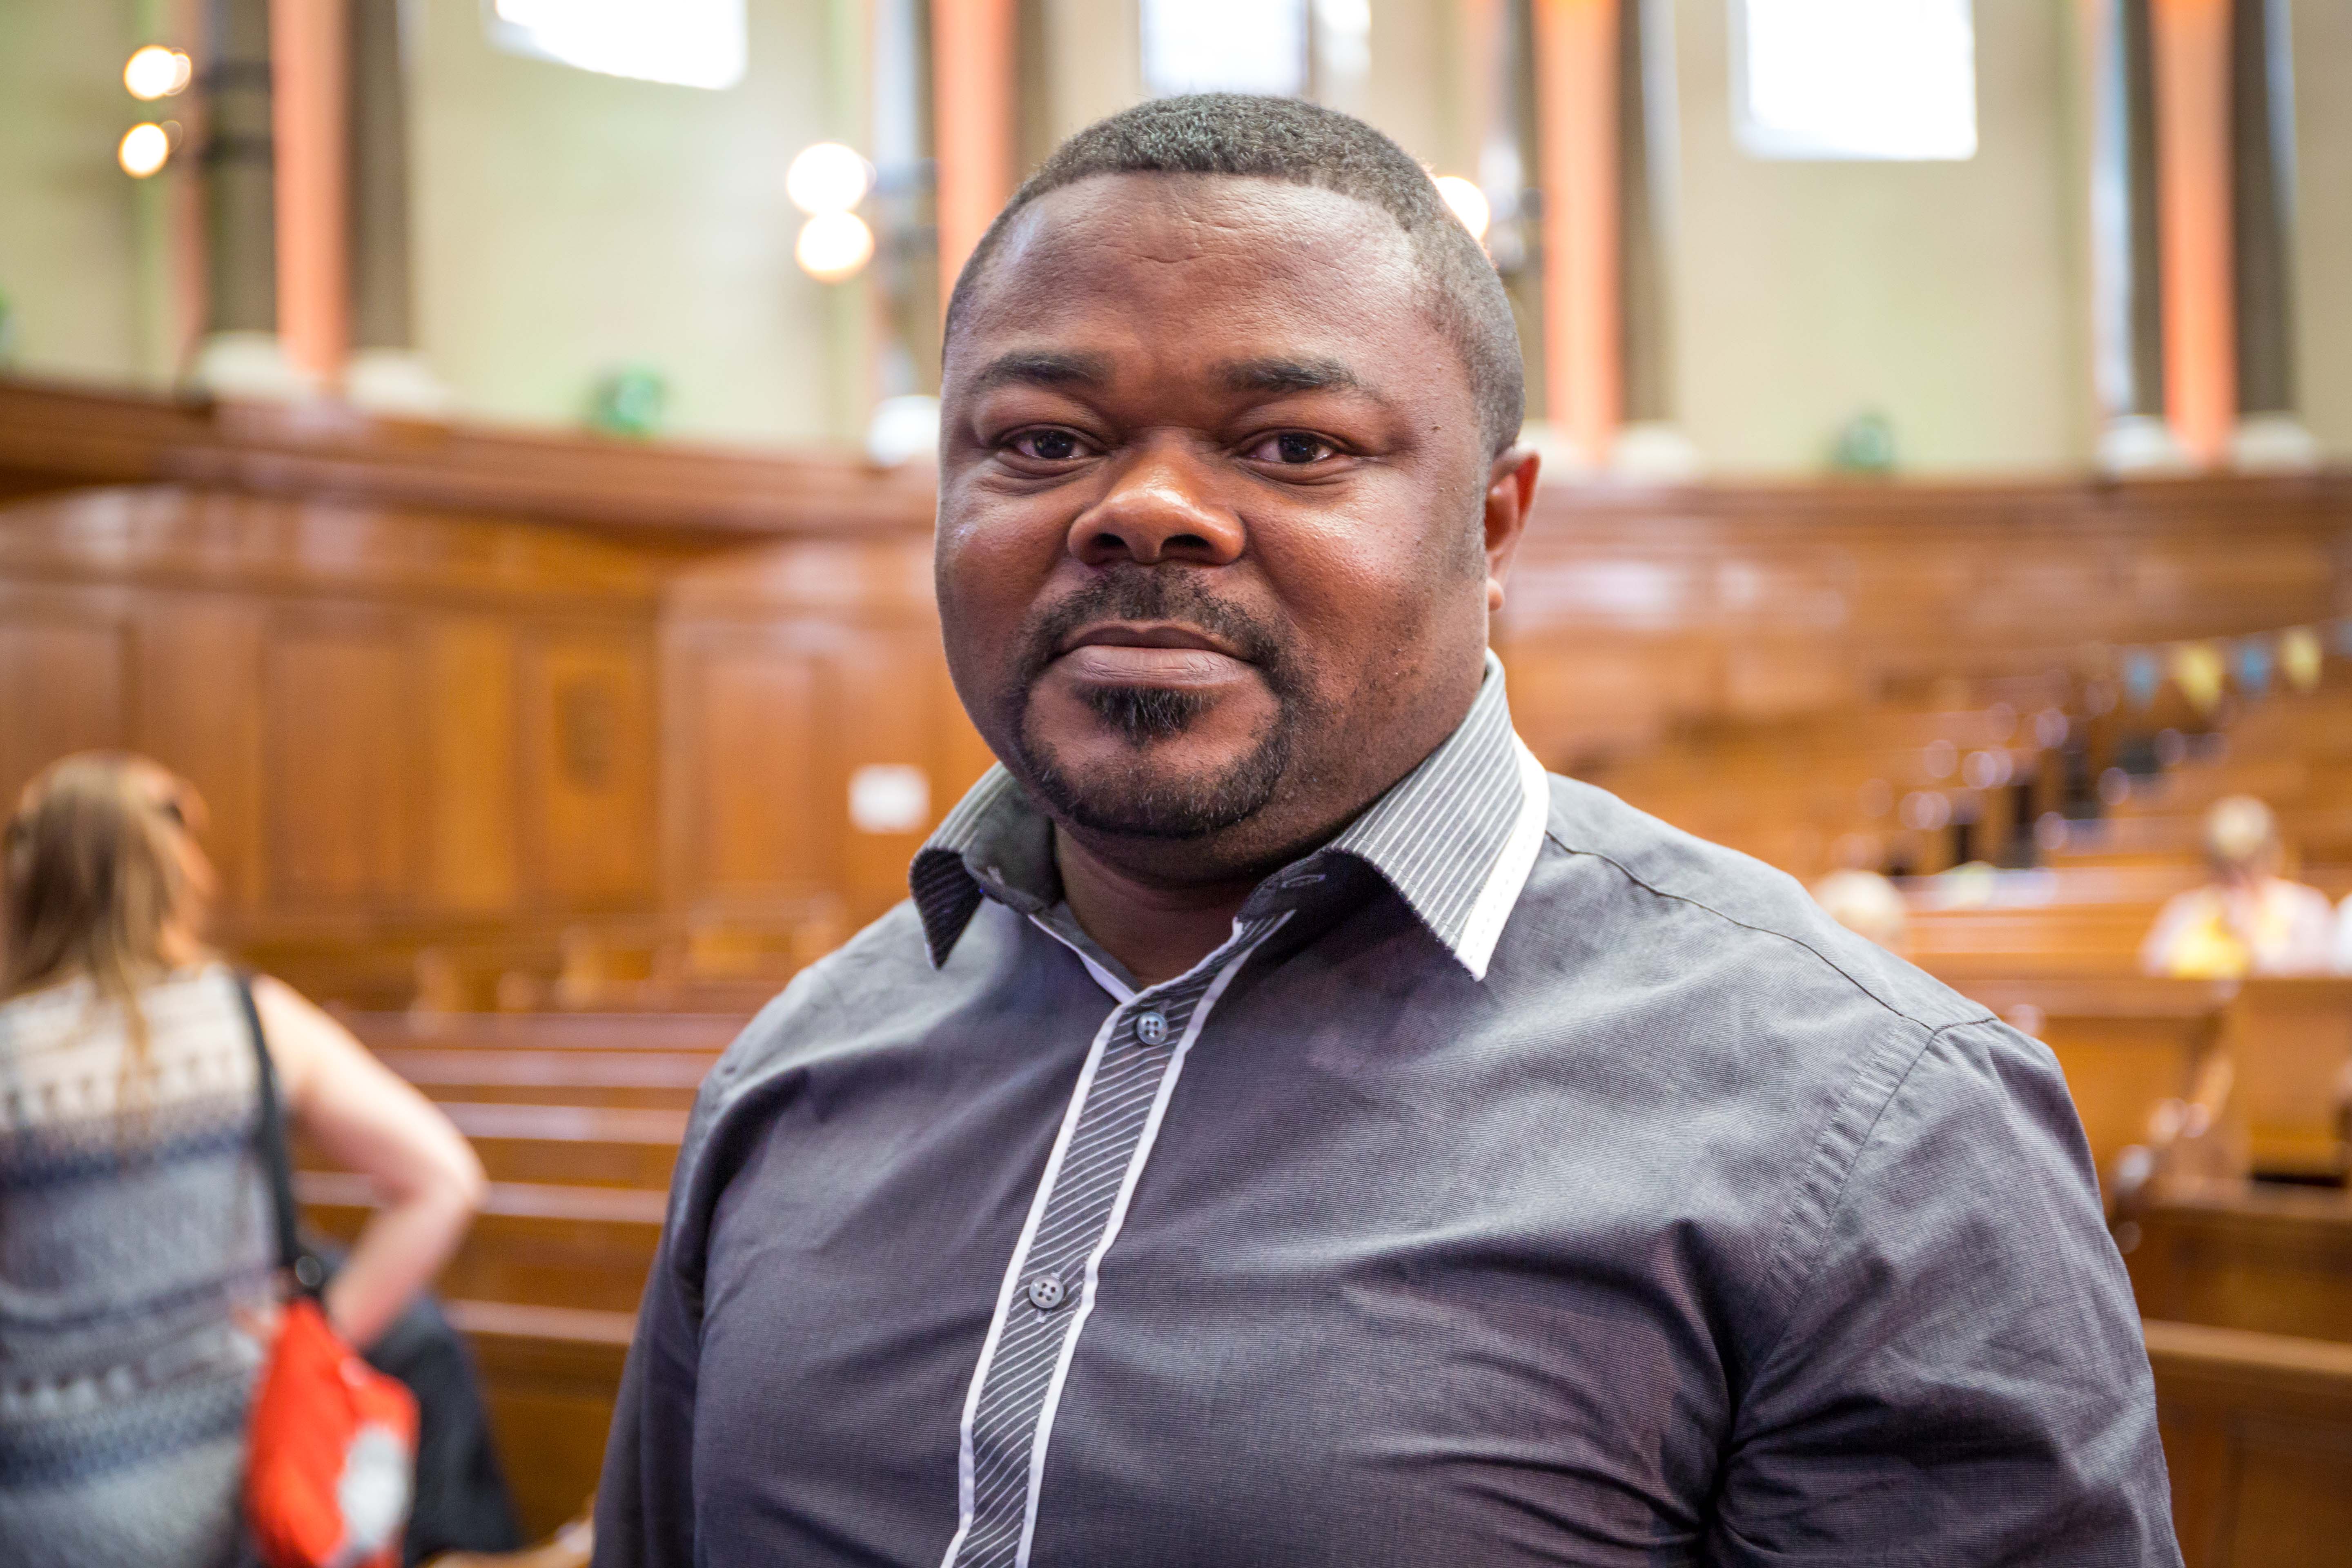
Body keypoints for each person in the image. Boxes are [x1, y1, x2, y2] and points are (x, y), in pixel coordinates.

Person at [598, 96, 2176, 1566]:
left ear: (1491, 528)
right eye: (1040, 440)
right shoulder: (792, 1074)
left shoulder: (1873, 1122)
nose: (1143, 508)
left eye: (1292, 446)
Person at [0, 754, 486, 1568]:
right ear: (169, 877)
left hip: (39, 1517)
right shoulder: (247, 1018)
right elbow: (444, 1179)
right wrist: (322, 1335)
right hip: (235, 1502)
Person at [2140, 794, 2336, 978]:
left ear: (2272, 858)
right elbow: (2155, 971)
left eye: (2247, 866)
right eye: (2224, 867)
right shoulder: (2187, 909)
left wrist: (2252, 944)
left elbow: (2317, 982)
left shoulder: (2305, 908)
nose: (2237, 880)